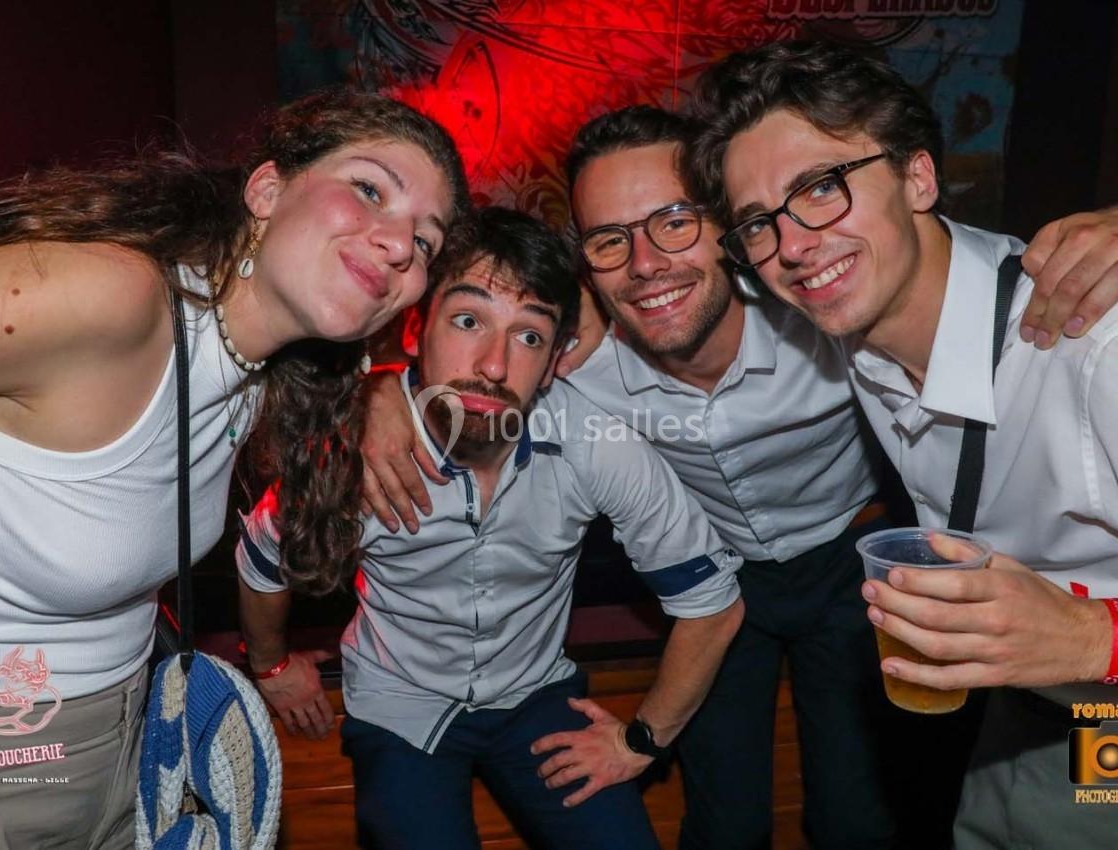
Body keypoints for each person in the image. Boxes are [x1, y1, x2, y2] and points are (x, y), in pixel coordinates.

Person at [359, 104, 1118, 849]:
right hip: (729, 594)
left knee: (863, 816)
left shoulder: (830, 316)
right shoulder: (577, 365)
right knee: (728, 822)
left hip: (855, 574)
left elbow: (950, 269)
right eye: (612, 240)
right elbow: (462, 343)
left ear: (730, 229)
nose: (646, 263)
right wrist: (381, 392)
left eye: (676, 222)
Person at [0, 90, 471, 849]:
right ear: (267, 191)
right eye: (369, 189)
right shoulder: (112, 297)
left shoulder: (257, 367)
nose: (401, 244)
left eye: (427, 242)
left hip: (127, 741)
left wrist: (380, 388)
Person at [688, 38, 1118, 849]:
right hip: (1031, 717)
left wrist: (1093, 638)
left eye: (821, 188)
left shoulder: (1111, 345)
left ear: (919, 177)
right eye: (758, 222)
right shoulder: (849, 324)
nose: (792, 246)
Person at [235, 206, 745, 850]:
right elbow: (260, 561)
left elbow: (711, 603)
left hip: (534, 694)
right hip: (401, 704)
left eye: (529, 337)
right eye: (469, 320)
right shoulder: (354, 449)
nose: (495, 365)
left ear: (558, 358)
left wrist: (640, 740)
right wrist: (271, 664)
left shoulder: (596, 443)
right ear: (415, 331)